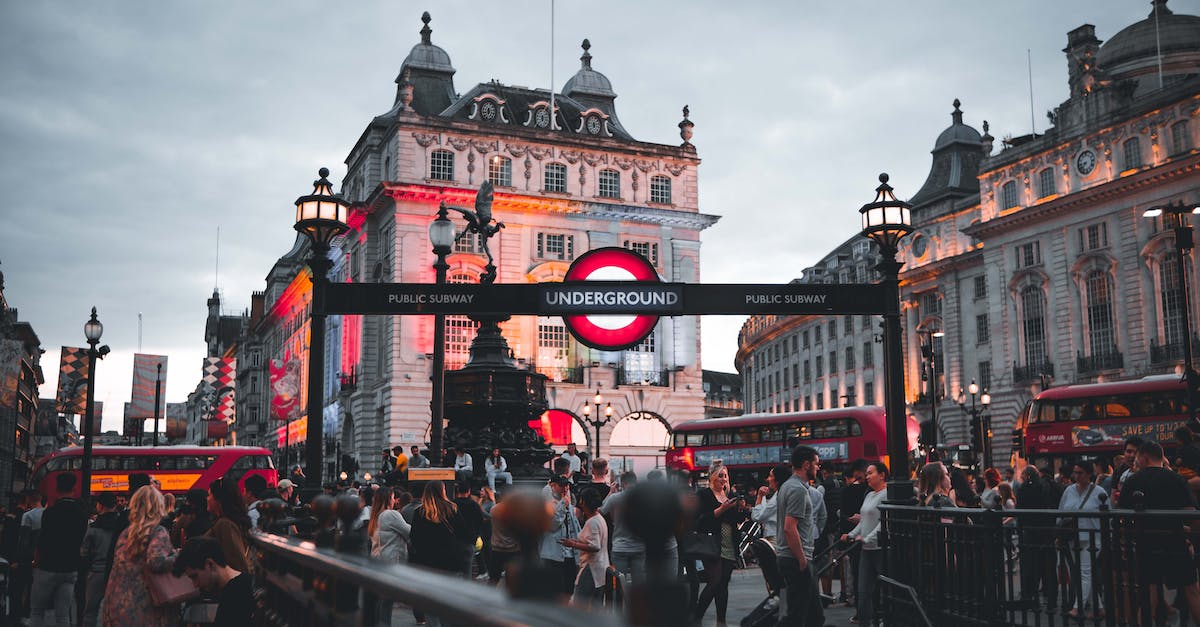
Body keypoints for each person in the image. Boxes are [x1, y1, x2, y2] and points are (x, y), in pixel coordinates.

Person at [1122, 440, 1200, 624]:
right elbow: (1192, 512)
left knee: (1150, 593)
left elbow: (1122, 514)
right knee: (1191, 590)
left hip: (1147, 542)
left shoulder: (1133, 480)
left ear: (1144, 457)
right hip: (1175, 540)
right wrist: (1188, 538)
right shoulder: (1176, 479)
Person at [102, 486, 179, 627]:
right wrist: (178, 556)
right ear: (158, 506)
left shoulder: (126, 533)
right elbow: (156, 561)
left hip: (116, 605)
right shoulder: (158, 531)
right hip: (145, 607)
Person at [694, 460, 749, 624]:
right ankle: (697, 617)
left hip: (729, 543)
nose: (723, 479)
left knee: (723, 584)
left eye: (725, 476)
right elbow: (700, 521)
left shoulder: (729, 496)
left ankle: (721, 621)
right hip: (711, 543)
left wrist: (740, 509)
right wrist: (721, 510)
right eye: (720, 476)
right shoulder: (704, 494)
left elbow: (737, 521)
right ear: (712, 477)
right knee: (715, 581)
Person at [31, 473, 88, 627]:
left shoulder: (50, 512)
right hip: (70, 567)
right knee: (63, 615)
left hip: (47, 566)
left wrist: (36, 560)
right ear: (74, 488)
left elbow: (42, 540)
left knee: (37, 611)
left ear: (57, 488)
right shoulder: (82, 514)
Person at [776, 446, 824, 627]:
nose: (818, 468)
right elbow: (790, 528)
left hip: (791, 557)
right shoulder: (797, 489)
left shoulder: (787, 486)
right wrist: (802, 559)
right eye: (816, 464)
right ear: (806, 465)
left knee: (814, 617)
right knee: (797, 616)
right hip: (796, 558)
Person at [409, 481, 467, 627]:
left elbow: (414, 538)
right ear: (443, 491)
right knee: (450, 602)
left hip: (428, 564)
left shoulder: (420, 513)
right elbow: (463, 534)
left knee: (431, 604)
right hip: (451, 562)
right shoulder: (453, 509)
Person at [1057, 459, 1106, 618]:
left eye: (1080, 473)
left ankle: (1078, 608)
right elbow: (1061, 513)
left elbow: (1108, 516)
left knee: (1084, 572)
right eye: (1075, 473)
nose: (1076, 476)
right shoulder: (1068, 491)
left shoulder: (1099, 492)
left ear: (1089, 474)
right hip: (1072, 537)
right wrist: (1059, 534)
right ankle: (1099, 608)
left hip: (1093, 537)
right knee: (1082, 573)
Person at [842, 461, 888, 627]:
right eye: (867, 473)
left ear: (882, 475)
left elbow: (884, 522)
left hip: (880, 549)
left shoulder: (887, 494)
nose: (867, 476)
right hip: (866, 550)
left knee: (886, 591)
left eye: (871, 473)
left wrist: (867, 538)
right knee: (863, 592)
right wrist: (852, 534)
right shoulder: (869, 495)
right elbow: (864, 521)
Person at [175, 536, 255, 626]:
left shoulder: (237, 594)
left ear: (210, 564)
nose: (195, 584)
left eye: (195, 576)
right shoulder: (240, 585)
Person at [368, 487, 410, 625]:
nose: (394, 501)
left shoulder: (375, 516)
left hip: (377, 559)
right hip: (391, 560)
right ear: (387, 499)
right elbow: (409, 531)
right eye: (392, 497)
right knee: (387, 599)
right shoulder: (391, 515)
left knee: (382, 599)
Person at [80, 493, 122, 627]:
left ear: (100, 505)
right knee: (114, 610)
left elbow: (84, 553)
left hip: (97, 572)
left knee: (90, 611)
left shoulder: (93, 528)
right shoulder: (121, 526)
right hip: (116, 572)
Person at [563, 487, 609, 608]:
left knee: (578, 603)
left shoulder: (592, 522)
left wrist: (573, 544)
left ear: (583, 502)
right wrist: (576, 541)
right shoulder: (599, 518)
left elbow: (595, 546)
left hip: (591, 567)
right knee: (596, 605)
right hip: (601, 566)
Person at [601, 471, 645, 584]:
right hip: (639, 547)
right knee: (639, 585)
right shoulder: (643, 499)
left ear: (623, 483)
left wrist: (610, 492)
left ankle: (621, 601)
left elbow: (601, 511)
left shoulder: (615, 498)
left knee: (620, 584)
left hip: (620, 547)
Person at [540, 475, 581, 595]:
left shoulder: (567, 501)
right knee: (555, 588)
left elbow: (574, 525)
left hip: (570, 552)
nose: (565, 488)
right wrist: (562, 506)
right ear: (553, 486)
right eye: (561, 485)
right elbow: (552, 525)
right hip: (553, 553)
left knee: (569, 587)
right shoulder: (547, 504)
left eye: (567, 485)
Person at [206, 478, 254, 574]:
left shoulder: (225, 525)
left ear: (219, 499)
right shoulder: (227, 522)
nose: (207, 498)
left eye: (209, 495)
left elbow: (237, 563)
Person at [751, 463, 791, 542]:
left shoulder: (777, 497)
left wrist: (760, 496)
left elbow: (757, 516)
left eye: (771, 476)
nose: (768, 479)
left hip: (774, 538)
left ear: (777, 480)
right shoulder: (783, 493)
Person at [452, 482, 485, 579]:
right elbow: (480, 523)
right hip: (470, 541)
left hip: (455, 541)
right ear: (469, 491)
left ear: (458, 491)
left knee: (455, 572)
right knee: (468, 571)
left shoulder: (453, 504)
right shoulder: (475, 506)